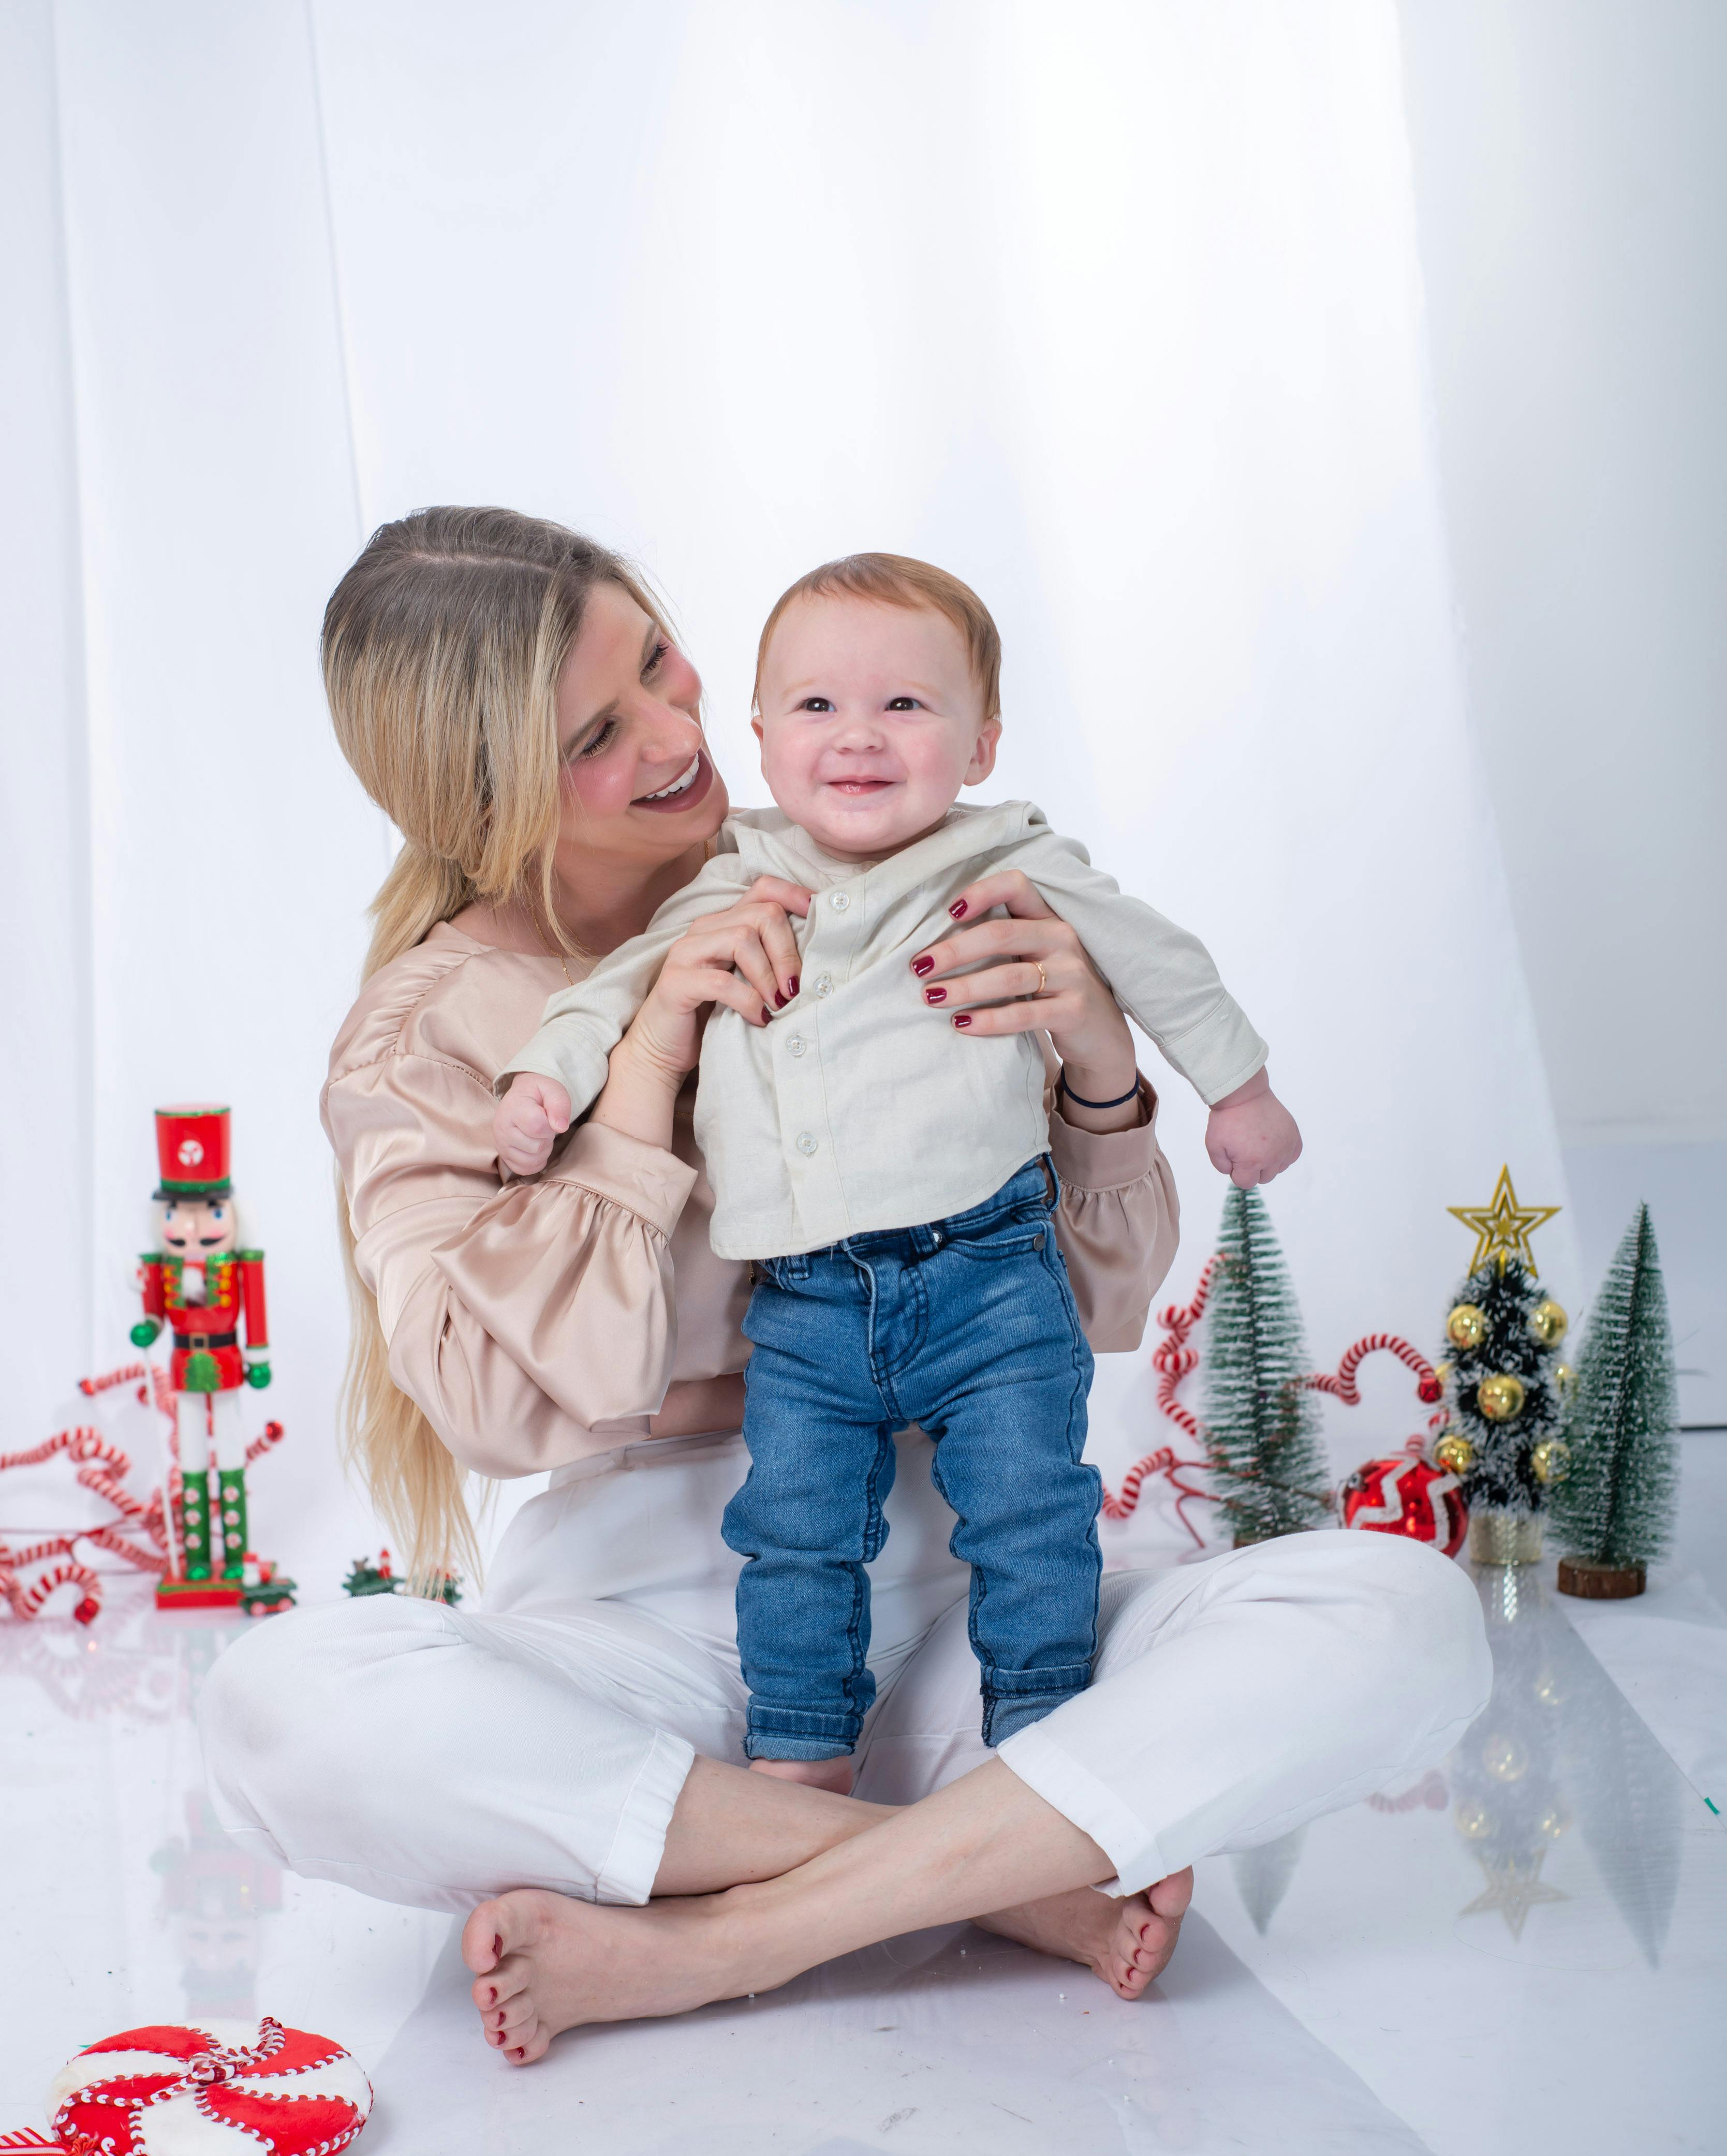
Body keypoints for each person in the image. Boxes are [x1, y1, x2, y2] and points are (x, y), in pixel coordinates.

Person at [198, 504, 1490, 2069]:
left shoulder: (905, 877)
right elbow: (496, 1408)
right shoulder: (433, 1035)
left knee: (1399, 1616)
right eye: (604, 733)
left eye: (664, 664)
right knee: (282, 1701)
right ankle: (998, 1871)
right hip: (662, 1636)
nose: (683, 734)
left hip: (981, 1594)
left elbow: (1085, 1309)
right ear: (485, 798)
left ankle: (740, 1930)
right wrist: (644, 1065)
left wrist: (1092, 1057)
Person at [493, 554, 1301, 1782]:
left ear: (980, 743)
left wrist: (1236, 1087)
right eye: (817, 707)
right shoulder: (734, 881)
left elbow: (1157, 957)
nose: (858, 737)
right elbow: (611, 991)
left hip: (989, 1270)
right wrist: (548, 1078)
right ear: (760, 737)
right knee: (796, 1528)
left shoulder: (1003, 862)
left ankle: (1041, 1731)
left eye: (906, 707)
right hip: (807, 1302)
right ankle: (802, 1749)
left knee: (1031, 1509)